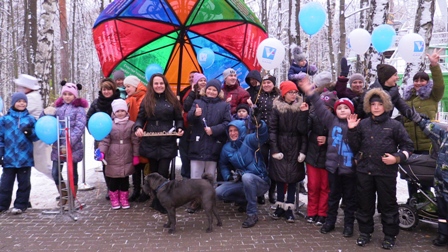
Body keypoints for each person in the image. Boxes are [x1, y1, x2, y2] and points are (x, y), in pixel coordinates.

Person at [347, 88, 414, 249]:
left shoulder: (394, 125)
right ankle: (365, 232)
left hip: (385, 172)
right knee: (365, 204)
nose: (376, 107)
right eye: (373, 104)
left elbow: (408, 146)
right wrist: (351, 130)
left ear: (386, 105)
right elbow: (355, 146)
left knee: (388, 205)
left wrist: (397, 157)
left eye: (379, 104)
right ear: (368, 106)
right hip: (365, 171)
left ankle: (390, 235)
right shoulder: (362, 124)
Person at [299, 76, 357, 238]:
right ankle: (329, 222)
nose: (342, 110)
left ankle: (348, 225)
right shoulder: (331, 122)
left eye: (346, 108)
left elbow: (359, 144)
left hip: (349, 169)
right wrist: (310, 92)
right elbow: (319, 107)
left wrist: (353, 130)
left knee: (349, 199)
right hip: (333, 167)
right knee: (333, 196)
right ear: (335, 110)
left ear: (351, 111)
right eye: (340, 108)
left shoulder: (356, 125)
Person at [134, 73, 184, 213]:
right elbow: (140, 118)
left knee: (163, 172)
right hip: (151, 139)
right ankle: (156, 198)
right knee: (153, 172)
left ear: (165, 84)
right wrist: (137, 127)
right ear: (152, 85)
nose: (159, 86)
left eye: (161, 83)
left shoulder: (172, 99)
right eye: (156, 83)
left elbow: (179, 119)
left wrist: (180, 128)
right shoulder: (146, 100)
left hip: (167, 139)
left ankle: (162, 201)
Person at [402, 49, 445, 199]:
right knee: (411, 178)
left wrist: (434, 66)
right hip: (411, 145)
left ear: (427, 82)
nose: (419, 83)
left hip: (428, 145)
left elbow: (439, 85)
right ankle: (415, 203)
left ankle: (428, 203)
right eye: (416, 80)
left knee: (427, 177)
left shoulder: (432, 96)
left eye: (422, 80)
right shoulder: (407, 99)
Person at [216, 119, 270, 228]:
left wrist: (260, 124)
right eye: (230, 131)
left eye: (235, 130)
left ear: (241, 130)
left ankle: (252, 214)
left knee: (247, 177)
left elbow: (262, 135)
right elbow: (223, 164)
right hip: (243, 181)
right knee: (219, 192)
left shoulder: (249, 140)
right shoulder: (227, 148)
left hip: (260, 181)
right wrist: (228, 176)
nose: (232, 133)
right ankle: (245, 200)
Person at [42, 82, 88, 207]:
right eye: (65, 94)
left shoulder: (79, 110)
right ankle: (63, 195)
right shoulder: (58, 109)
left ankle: (72, 197)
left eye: (70, 94)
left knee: (72, 172)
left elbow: (79, 127)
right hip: (58, 147)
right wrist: (45, 112)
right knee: (56, 172)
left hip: (73, 147)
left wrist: (68, 142)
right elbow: (46, 122)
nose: (67, 97)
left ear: (75, 95)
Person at [269, 81, 308, 223]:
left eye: (295, 92)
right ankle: (279, 205)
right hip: (280, 144)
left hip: (296, 144)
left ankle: (290, 207)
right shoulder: (277, 108)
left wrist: (303, 150)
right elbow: (272, 130)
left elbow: (304, 131)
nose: (293, 95)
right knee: (279, 177)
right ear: (284, 93)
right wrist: (274, 149)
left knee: (293, 178)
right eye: (290, 92)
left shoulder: (301, 107)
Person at [0, 92, 39, 214]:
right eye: (19, 101)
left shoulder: (31, 119)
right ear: (13, 103)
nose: (21, 103)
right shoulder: (5, 120)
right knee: (5, 184)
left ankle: (20, 205)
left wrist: (30, 133)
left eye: (24, 101)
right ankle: (2, 205)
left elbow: (37, 136)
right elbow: (0, 137)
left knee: (24, 184)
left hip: (25, 158)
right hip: (9, 158)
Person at [97, 99, 139, 210]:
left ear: (126, 111)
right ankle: (114, 198)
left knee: (125, 179)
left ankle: (124, 198)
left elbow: (135, 141)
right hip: (113, 154)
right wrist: (102, 152)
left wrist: (136, 155)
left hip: (126, 153)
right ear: (114, 113)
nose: (120, 113)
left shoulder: (131, 124)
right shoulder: (109, 125)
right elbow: (105, 140)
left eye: (122, 110)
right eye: (118, 111)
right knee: (113, 179)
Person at [413, 118, 448, 246]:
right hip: (441, 186)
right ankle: (443, 235)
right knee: (443, 213)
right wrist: (417, 118)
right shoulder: (444, 135)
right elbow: (429, 127)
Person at [187, 79, 230, 180]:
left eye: (214, 90)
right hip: (197, 145)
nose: (211, 91)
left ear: (218, 92)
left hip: (214, 145)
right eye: (209, 89)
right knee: (195, 178)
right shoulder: (197, 102)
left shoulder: (224, 105)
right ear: (205, 90)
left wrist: (214, 130)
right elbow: (189, 118)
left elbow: (227, 122)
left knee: (210, 178)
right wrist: (195, 114)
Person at [304, 90, 336, 225]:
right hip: (312, 155)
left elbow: (342, 137)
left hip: (328, 158)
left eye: (328, 107)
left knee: (325, 187)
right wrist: (303, 114)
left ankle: (322, 213)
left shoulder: (336, 120)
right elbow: (303, 129)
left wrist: (328, 139)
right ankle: (311, 212)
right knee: (313, 186)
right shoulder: (312, 116)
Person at [86, 78, 121, 200]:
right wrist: (93, 132)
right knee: (105, 164)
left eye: (109, 89)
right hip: (101, 138)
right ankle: (110, 188)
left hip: (117, 138)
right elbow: (88, 118)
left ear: (113, 90)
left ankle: (118, 188)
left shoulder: (119, 101)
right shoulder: (96, 103)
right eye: (104, 89)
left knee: (117, 162)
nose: (106, 92)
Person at [14, 74, 52, 180]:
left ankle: (65, 189)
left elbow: (18, 115)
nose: (18, 89)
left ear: (27, 88)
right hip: (32, 135)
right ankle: (64, 189)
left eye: (21, 87)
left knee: (44, 166)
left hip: (36, 136)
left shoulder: (31, 98)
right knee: (42, 165)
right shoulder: (31, 97)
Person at [254, 75, 280, 204]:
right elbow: (254, 114)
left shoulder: (279, 97)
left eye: (269, 82)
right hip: (262, 133)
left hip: (276, 133)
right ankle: (260, 192)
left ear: (273, 84)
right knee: (262, 163)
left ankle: (272, 191)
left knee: (274, 163)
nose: (266, 85)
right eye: (264, 83)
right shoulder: (258, 96)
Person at [123, 76, 148, 202]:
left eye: (128, 86)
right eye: (125, 87)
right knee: (136, 164)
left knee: (145, 164)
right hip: (133, 136)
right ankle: (137, 189)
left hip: (144, 136)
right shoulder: (129, 99)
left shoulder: (145, 98)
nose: (126, 89)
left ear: (135, 86)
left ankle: (145, 191)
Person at [181, 72, 206, 179]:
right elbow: (186, 106)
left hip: (201, 129)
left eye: (204, 80)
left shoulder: (208, 93)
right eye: (200, 80)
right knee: (185, 154)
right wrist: (192, 92)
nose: (203, 82)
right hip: (188, 128)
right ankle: (186, 177)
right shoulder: (188, 92)